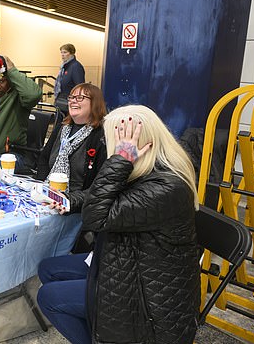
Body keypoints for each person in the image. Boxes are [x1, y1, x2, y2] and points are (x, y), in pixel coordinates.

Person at [37, 105, 201, 344]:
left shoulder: (166, 187)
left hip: (148, 299)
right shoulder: (144, 170)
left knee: (49, 297)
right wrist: (68, 201)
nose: (109, 148)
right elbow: (99, 194)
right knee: (48, 268)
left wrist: (119, 160)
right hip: (128, 261)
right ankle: (97, 330)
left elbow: (95, 217)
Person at [36, 83, 107, 212]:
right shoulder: (62, 128)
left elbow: (100, 185)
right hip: (48, 197)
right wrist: (42, 188)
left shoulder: (101, 136)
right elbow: (44, 159)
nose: (73, 101)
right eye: (71, 97)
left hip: (77, 206)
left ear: (95, 103)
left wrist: (68, 199)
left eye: (80, 98)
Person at [53, 44, 85, 116]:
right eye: (61, 52)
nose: (62, 55)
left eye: (65, 52)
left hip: (70, 102)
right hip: (62, 100)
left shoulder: (75, 66)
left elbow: (79, 86)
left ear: (71, 53)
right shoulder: (64, 67)